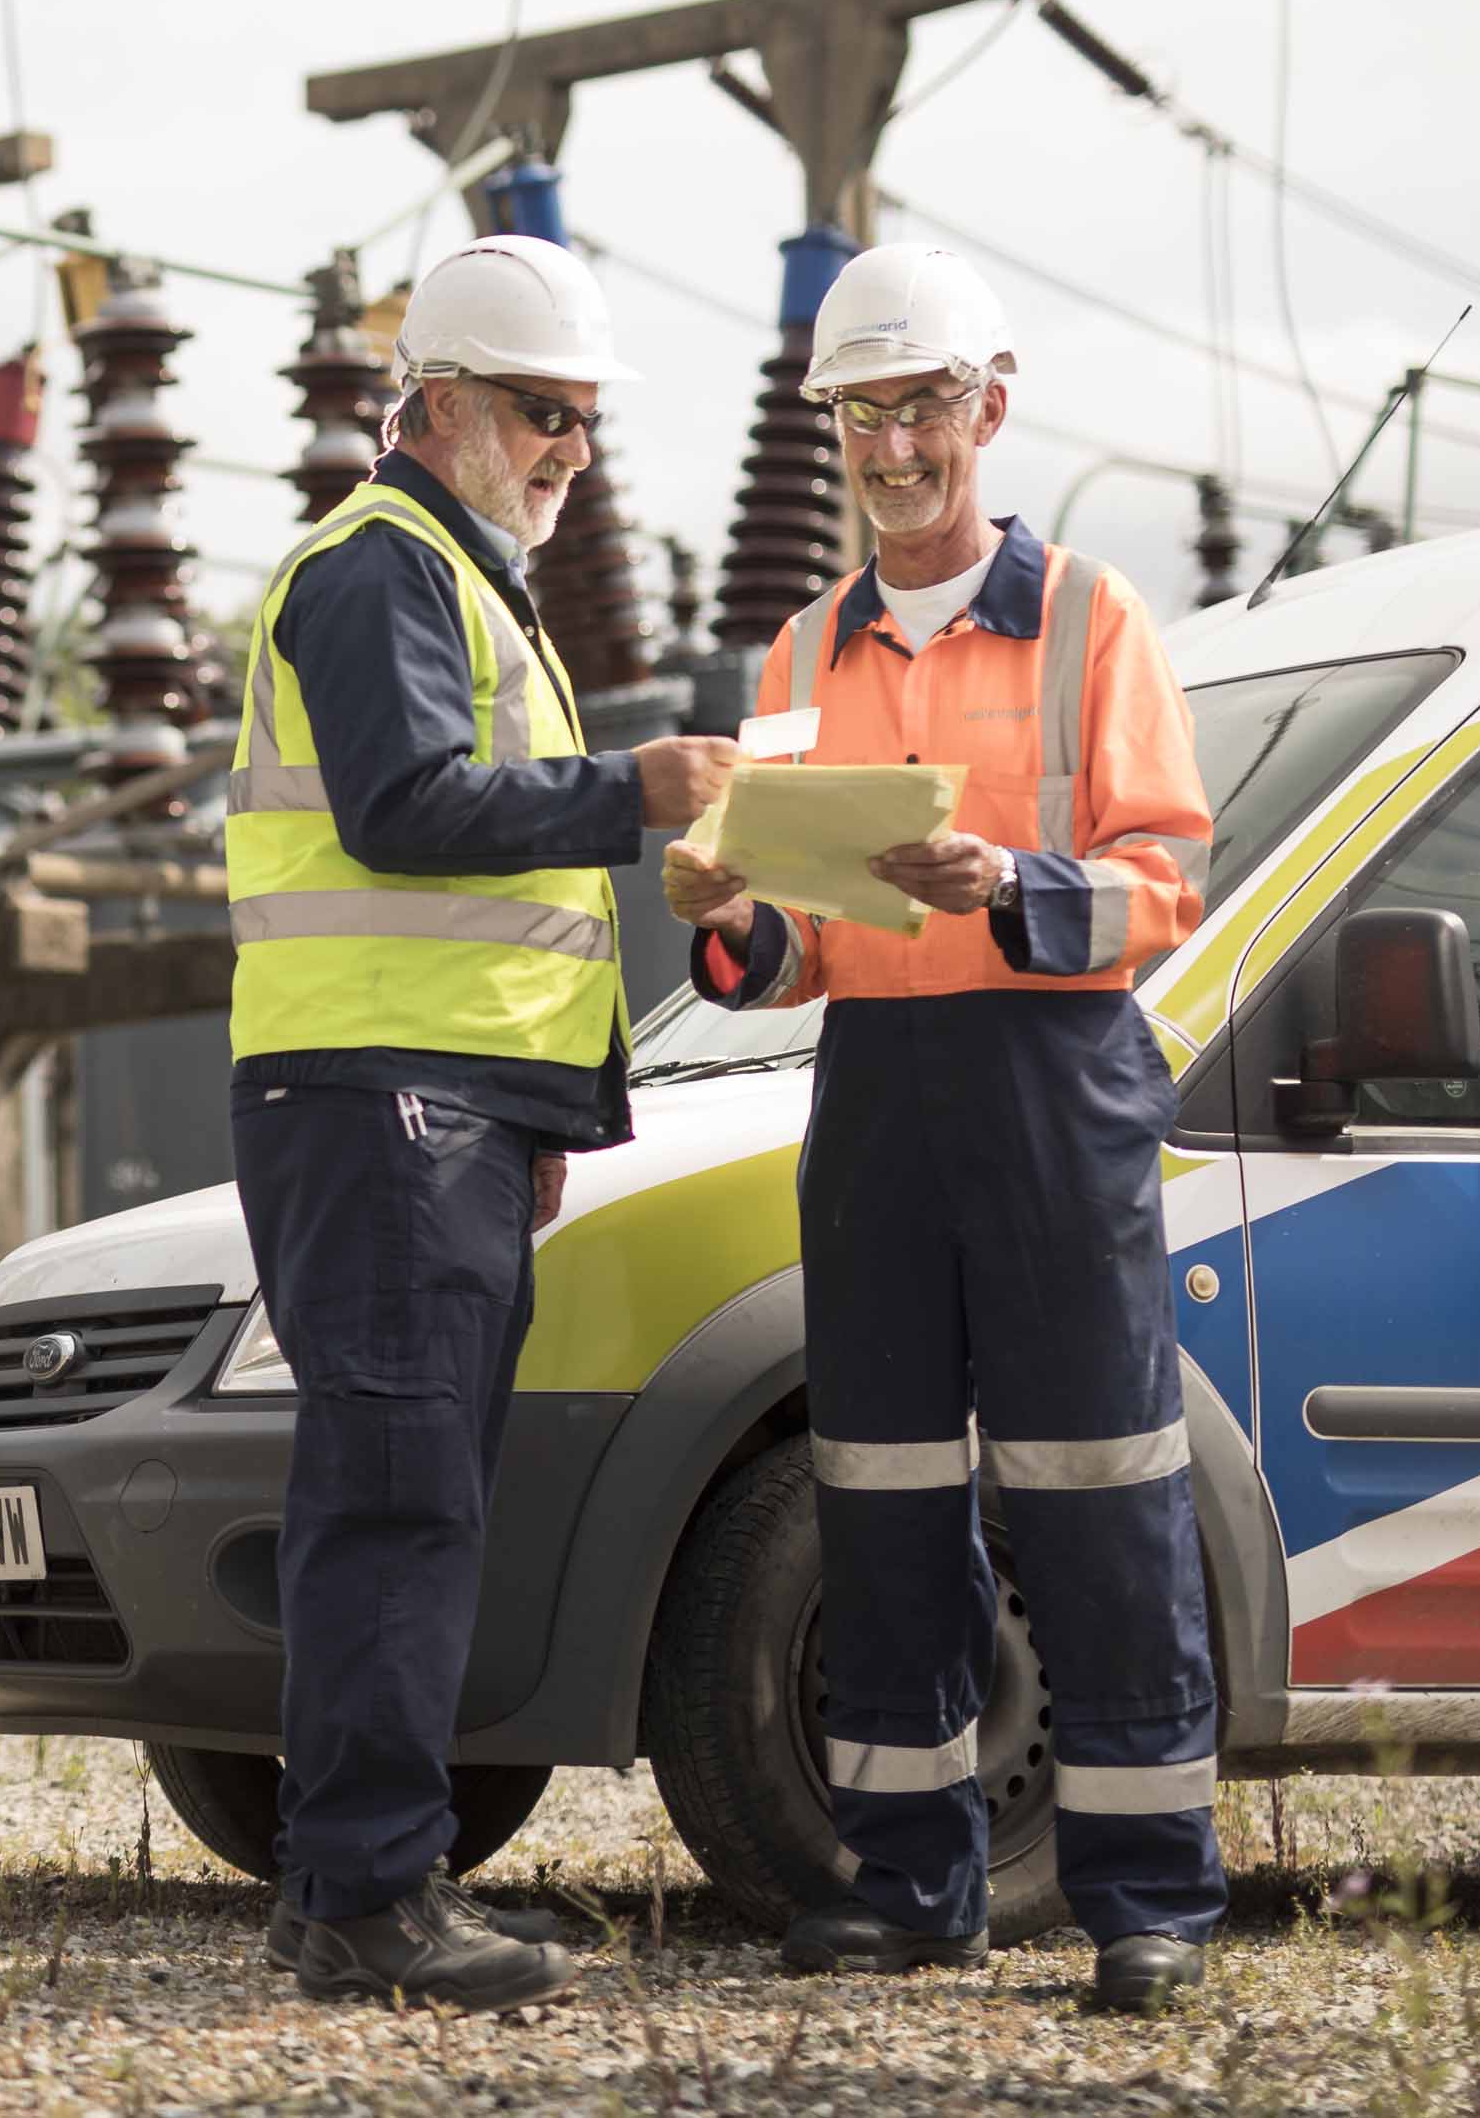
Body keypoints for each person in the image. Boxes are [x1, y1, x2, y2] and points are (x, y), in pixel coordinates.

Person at [660, 243, 1225, 2013]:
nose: (894, 447)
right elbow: (794, 947)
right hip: (881, 1102)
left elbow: (1168, 882)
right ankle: (914, 1884)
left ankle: (1148, 1899)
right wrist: (719, 907)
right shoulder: (802, 646)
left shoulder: (1095, 621)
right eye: (861, 413)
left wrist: (1012, 884)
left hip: (1054, 1084)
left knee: (1099, 1487)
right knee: (882, 1487)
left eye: (923, 407)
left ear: (992, 404)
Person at [223, 231, 738, 2007]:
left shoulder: (457, 579)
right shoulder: (380, 571)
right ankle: (373, 1894)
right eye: (542, 414)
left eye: (587, 425)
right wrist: (634, 790)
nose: (568, 455)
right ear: (438, 400)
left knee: (399, 1495)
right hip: (385, 1105)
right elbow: (405, 812)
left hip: (428, 1109)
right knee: (395, 1505)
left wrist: (527, 1118)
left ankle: (336, 1889)